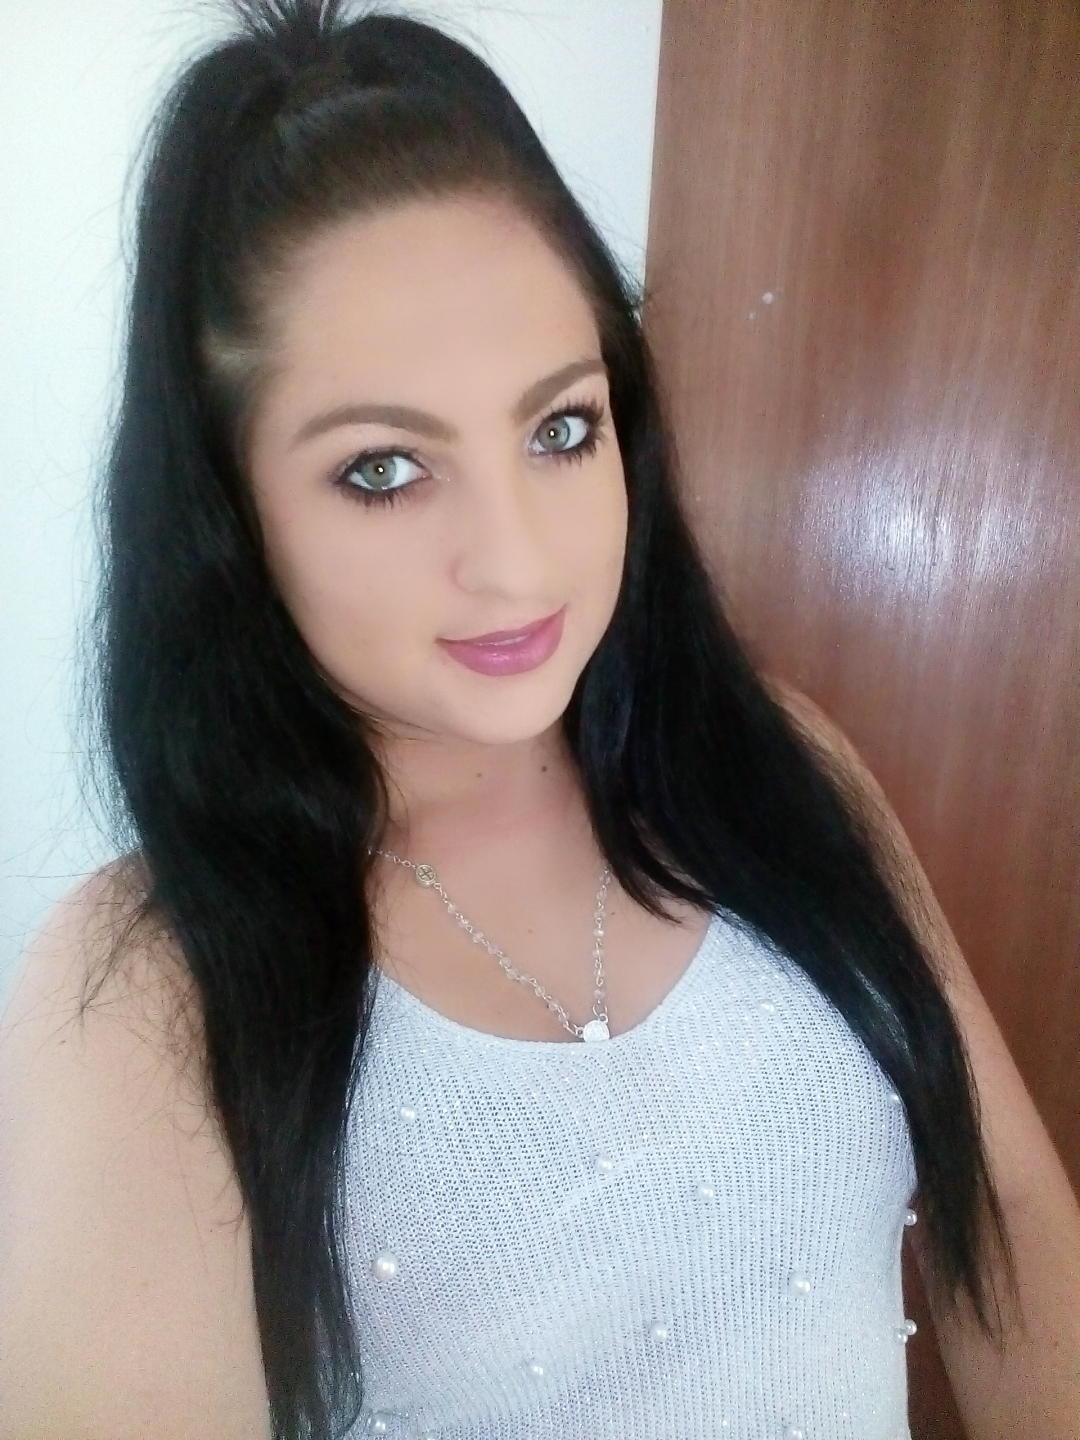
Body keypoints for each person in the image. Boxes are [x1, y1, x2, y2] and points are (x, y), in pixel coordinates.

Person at [2, 2, 1078, 1438]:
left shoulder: (775, 764)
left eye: (561, 429)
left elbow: (1009, 1233)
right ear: (229, 507)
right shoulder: (150, 986)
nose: (516, 563)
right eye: (383, 470)